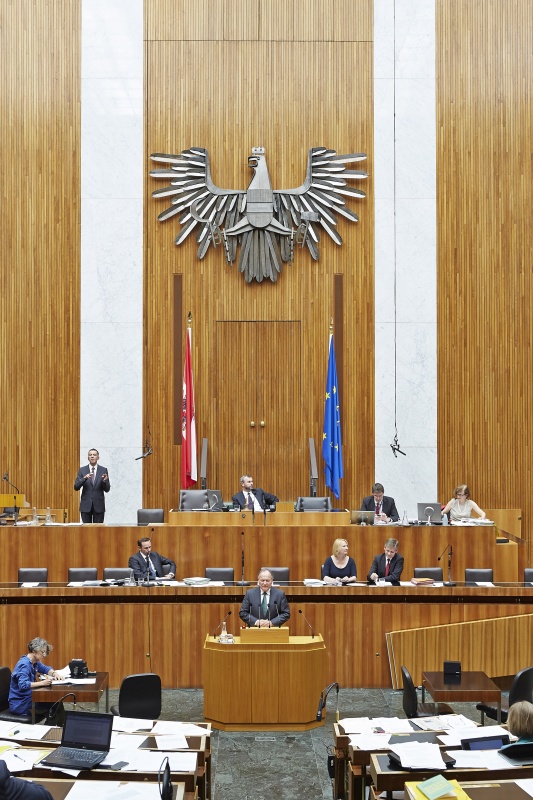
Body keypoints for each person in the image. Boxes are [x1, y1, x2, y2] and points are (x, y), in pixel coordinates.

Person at [9, 637, 64, 717]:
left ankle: (53, 726)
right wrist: (42, 683)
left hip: (28, 699)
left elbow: (45, 669)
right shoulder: (24, 664)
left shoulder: (34, 662)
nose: (44, 655)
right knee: (55, 703)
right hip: (20, 704)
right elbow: (23, 685)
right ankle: (51, 727)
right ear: (34, 651)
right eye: (43, 652)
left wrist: (55, 673)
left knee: (56, 702)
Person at [74, 448, 110, 523]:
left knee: (98, 530)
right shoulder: (82, 470)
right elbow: (76, 487)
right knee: (86, 531)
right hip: (86, 505)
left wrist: (104, 481)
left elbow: (107, 489)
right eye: (90, 455)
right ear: (88, 458)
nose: (92, 456)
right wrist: (84, 478)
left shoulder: (103, 470)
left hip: (99, 505)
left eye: (94, 455)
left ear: (98, 457)